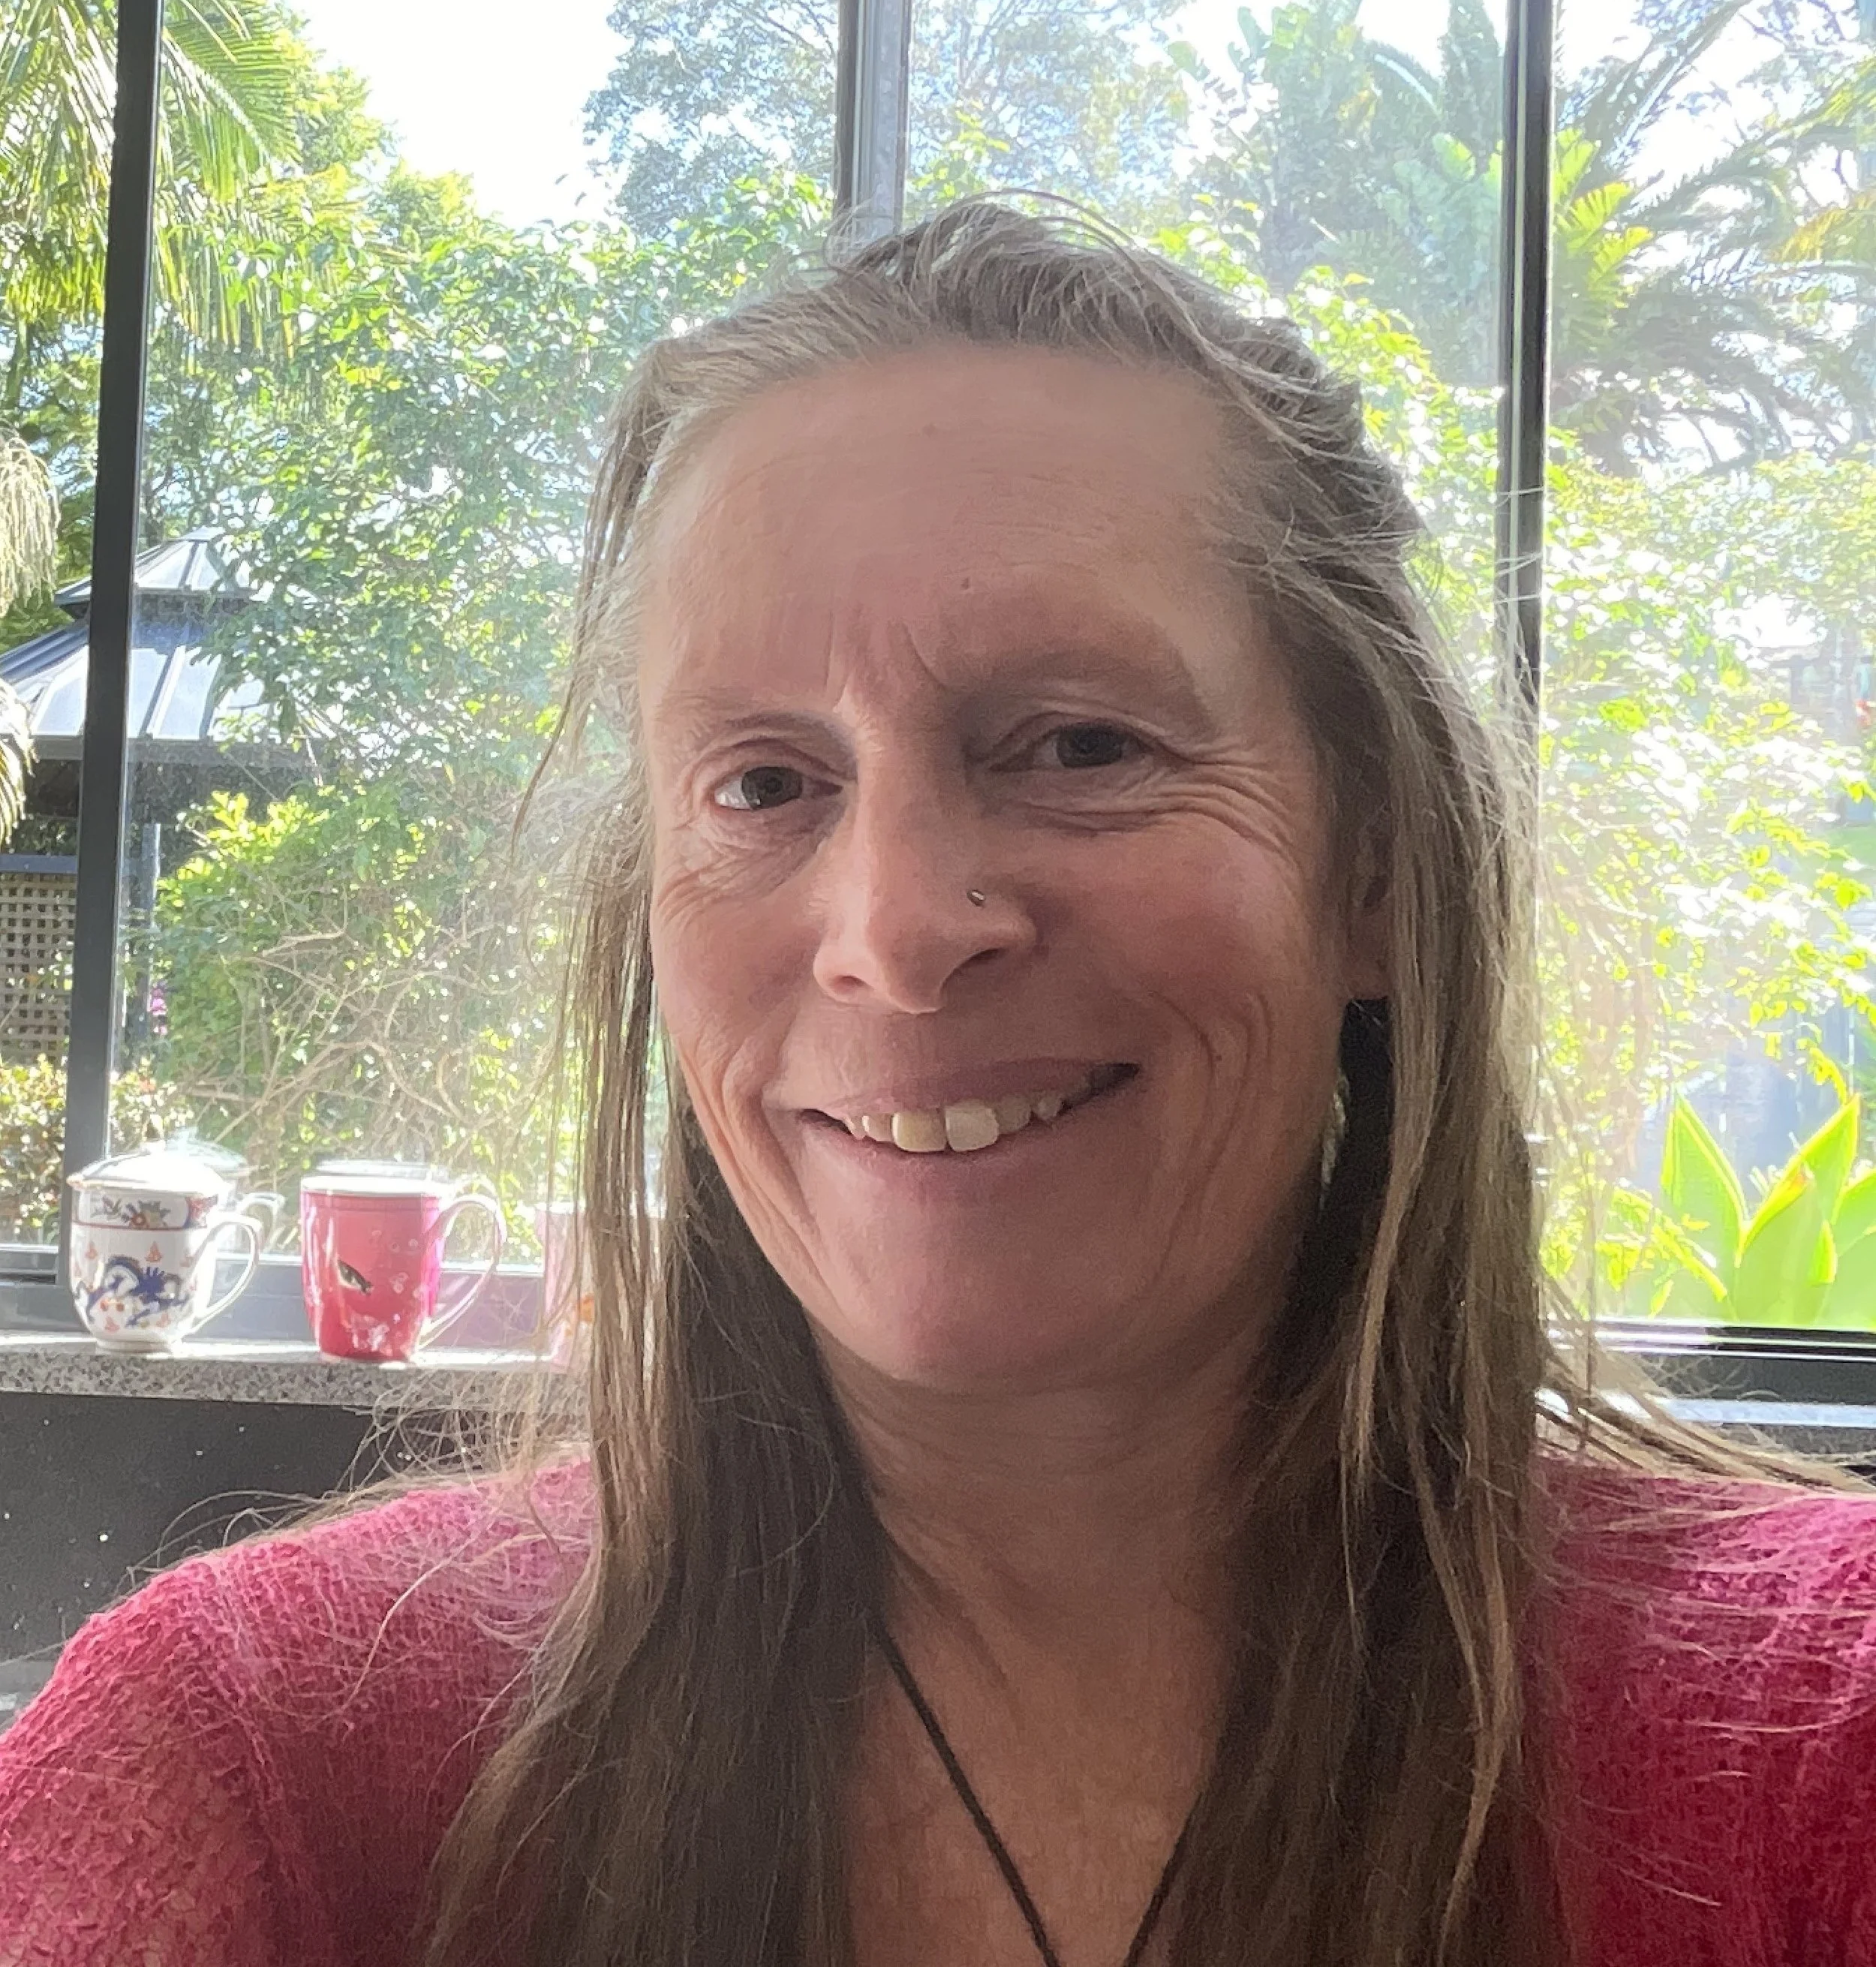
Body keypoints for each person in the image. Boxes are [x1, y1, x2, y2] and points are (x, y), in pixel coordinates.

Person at [3, 200, 1875, 1967]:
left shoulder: (1818, 1738)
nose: (893, 932)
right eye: (760, 784)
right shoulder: (252, 1762)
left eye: (1075, 741)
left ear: (1370, 866)